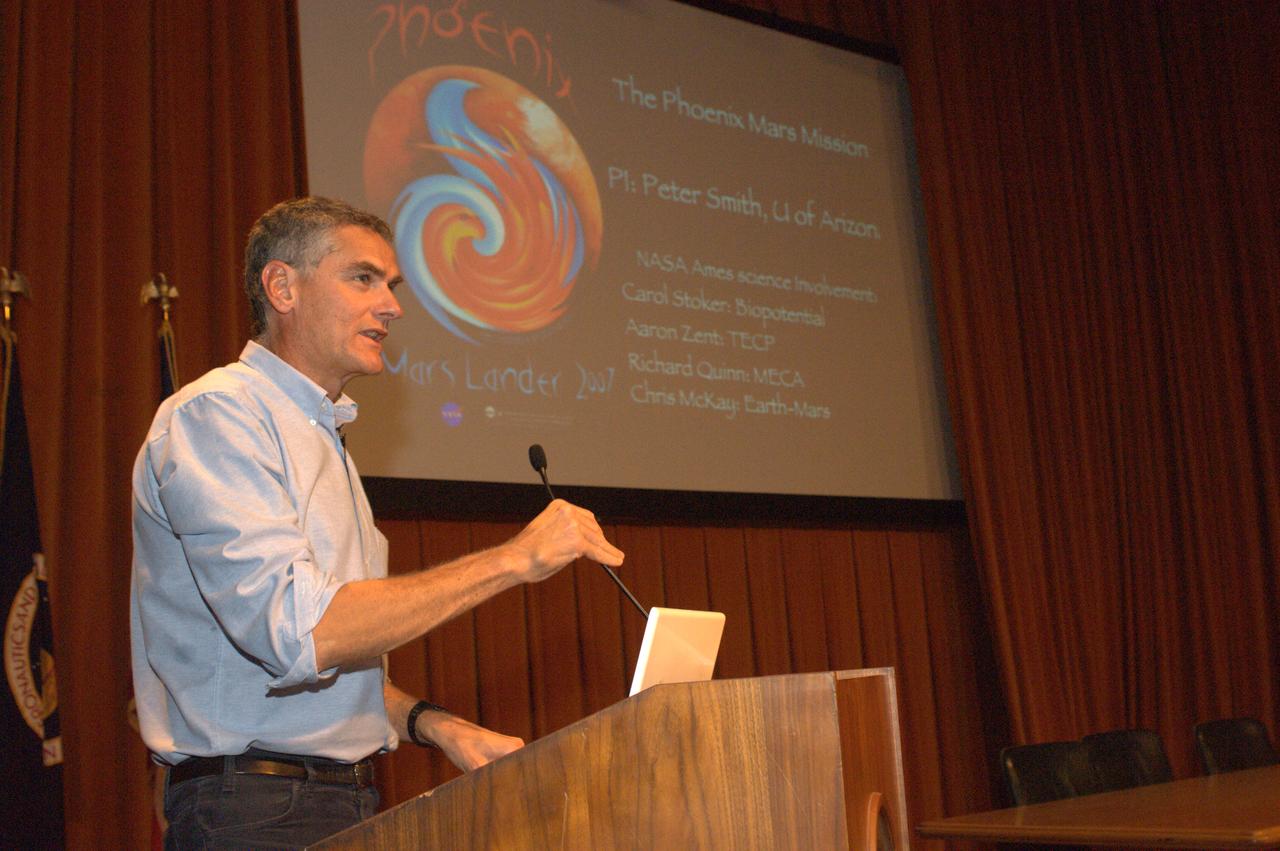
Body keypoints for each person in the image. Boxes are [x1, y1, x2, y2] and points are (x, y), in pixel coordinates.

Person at [129, 196, 625, 849]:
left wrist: (435, 724)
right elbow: (306, 633)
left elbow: (321, 673)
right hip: (255, 809)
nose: (391, 305)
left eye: (390, 285)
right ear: (283, 286)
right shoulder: (218, 416)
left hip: (339, 796)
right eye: (363, 278)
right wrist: (513, 558)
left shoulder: (323, 435)